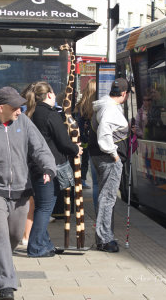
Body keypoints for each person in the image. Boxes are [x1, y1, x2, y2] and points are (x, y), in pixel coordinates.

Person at [0, 86, 57, 300]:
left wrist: (48, 168)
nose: (20, 110)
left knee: (13, 236)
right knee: (1, 235)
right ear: (0, 107)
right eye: (15, 107)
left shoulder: (23, 122)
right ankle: (6, 285)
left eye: (21, 106)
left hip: (21, 189)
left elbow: (40, 147)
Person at [23, 81, 82, 257]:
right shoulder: (50, 114)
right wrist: (76, 149)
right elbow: (63, 142)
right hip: (49, 167)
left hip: (35, 166)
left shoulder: (31, 114)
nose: (55, 96)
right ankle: (35, 247)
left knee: (42, 206)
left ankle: (45, 244)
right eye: (54, 93)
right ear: (49, 94)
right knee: (45, 207)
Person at [88, 77, 131, 253]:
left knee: (105, 198)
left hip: (99, 157)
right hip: (109, 159)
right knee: (108, 198)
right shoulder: (110, 110)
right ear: (123, 94)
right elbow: (105, 130)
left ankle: (104, 236)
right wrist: (114, 155)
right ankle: (105, 239)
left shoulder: (105, 105)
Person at [74, 79, 98, 213]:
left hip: (83, 139)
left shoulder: (81, 105)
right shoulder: (96, 106)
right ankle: (83, 179)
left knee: (84, 162)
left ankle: (81, 179)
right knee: (97, 181)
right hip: (94, 142)